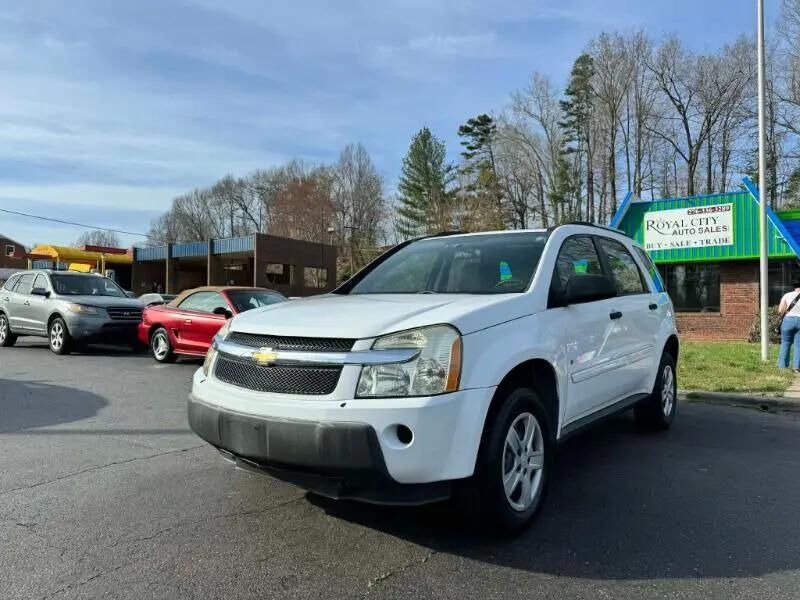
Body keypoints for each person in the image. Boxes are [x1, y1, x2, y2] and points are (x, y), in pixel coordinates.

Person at [777, 279, 800, 370]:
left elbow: (780, 310)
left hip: (788, 321)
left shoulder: (787, 295)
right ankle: (797, 367)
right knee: (799, 345)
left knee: (785, 343)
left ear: (794, 286)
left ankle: (782, 367)